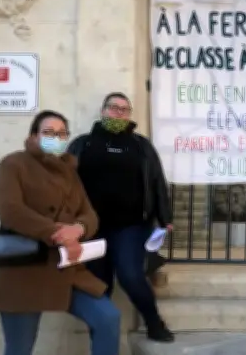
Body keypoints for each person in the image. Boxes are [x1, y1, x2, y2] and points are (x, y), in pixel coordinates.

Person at [0, 110, 121, 355]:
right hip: (25, 270)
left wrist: (78, 228)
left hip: (66, 268)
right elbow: (10, 210)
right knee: (19, 348)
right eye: (48, 132)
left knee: (108, 318)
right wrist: (58, 234)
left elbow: (89, 214)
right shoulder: (14, 164)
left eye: (61, 134)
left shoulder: (69, 171)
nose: (55, 138)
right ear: (33, 136)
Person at [67, 92, 175, 343]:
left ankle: (153, 322)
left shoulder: (141, 145)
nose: (119, 113)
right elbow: (66, 182)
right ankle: (102, 339)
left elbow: (157, 181)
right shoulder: (83, 144)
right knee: (98, 283)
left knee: (130, 274)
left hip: (131, 226)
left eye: (124, 110)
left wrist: (165, 216)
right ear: (103, 111)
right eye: (114, 108)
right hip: (90, 227)